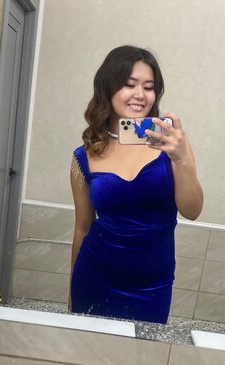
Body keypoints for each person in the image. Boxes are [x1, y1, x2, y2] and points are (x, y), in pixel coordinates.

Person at [69, 45, 203, 324]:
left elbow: (192, 211)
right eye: (129, 85)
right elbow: (82, 227)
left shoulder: (172, 144)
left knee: (142, 351)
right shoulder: (84, 156)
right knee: (89, 348)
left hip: (151, 286)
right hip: (94, 275)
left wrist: (182, 160)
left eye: (149, 87)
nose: (140, 95)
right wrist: (71, 290)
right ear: (108, 87)